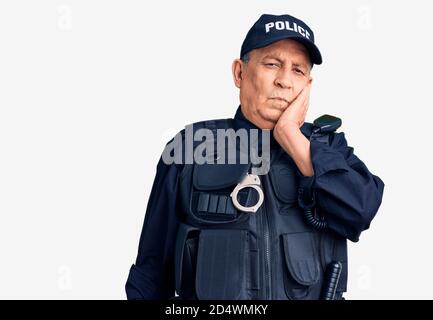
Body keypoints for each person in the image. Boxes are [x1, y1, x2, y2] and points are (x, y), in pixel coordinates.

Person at [125, 13, 385, 300]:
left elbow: (361, 210)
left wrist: (291, 136)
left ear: (308, 85)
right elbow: (150, 276)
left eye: (298, 70)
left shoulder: (328, 148)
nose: (285, 81)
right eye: (272, 64)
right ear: (239, 73)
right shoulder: (191, 147)